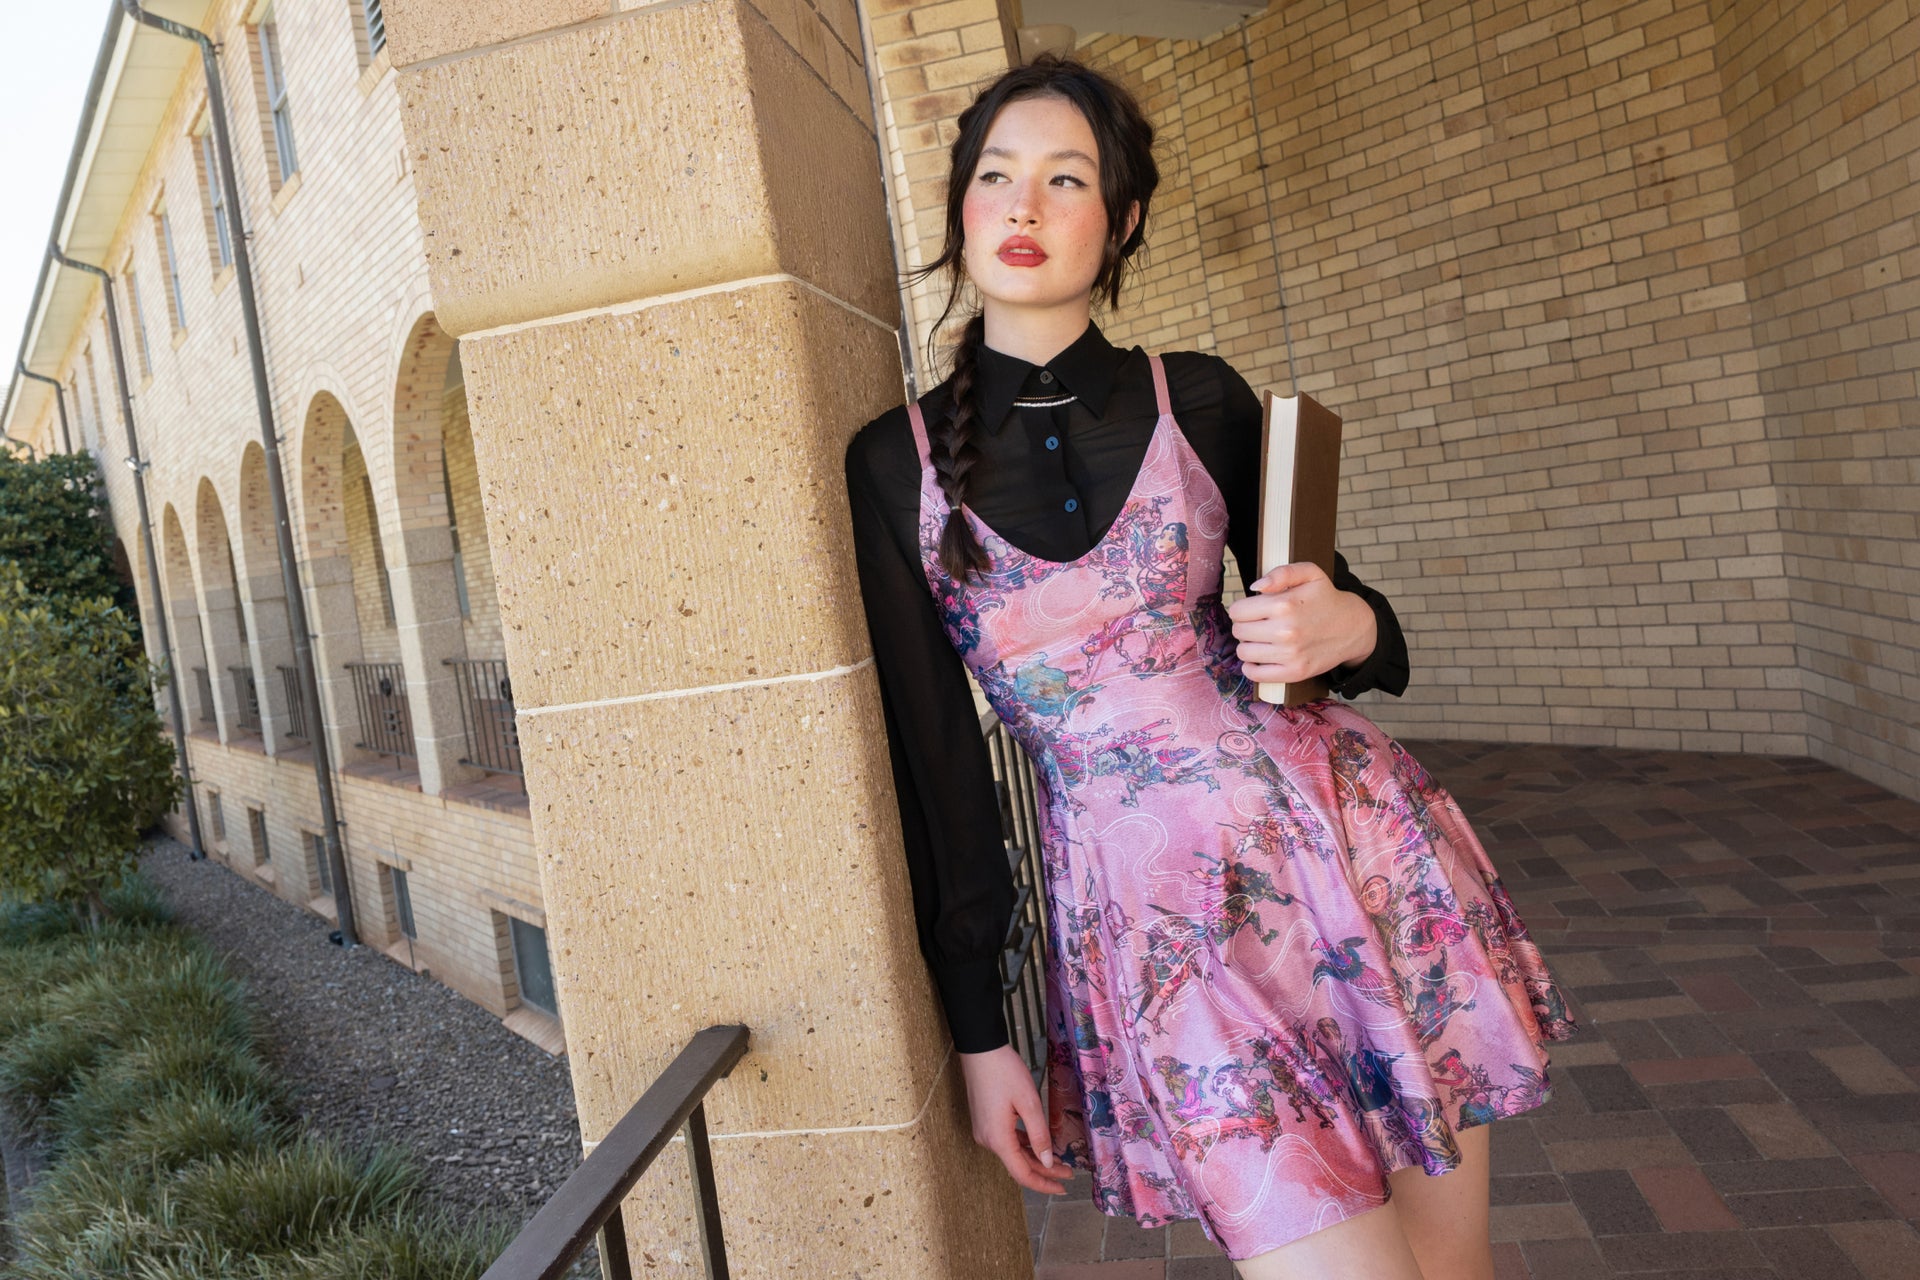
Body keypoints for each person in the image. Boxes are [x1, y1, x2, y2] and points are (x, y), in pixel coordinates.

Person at [843, 54, 1580, 1280]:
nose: (1023, 206)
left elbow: (1357, 631)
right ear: (962, 206)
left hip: (1352, 862)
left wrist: (1349, 622)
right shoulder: (895, 462)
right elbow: (939, 774)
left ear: (1121, 218)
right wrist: (981, 1033)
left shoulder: (1199, 397)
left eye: (1065, 178)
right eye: (996, 176)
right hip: (1167, 939)